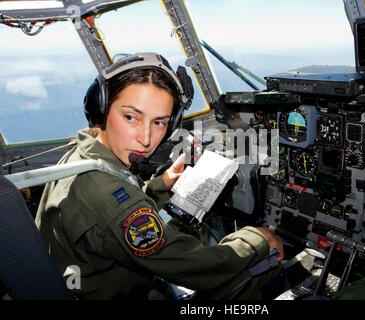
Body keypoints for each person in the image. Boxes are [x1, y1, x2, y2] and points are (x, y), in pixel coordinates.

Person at [35, 52, 286, 300]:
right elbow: (195, 267)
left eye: (159, 122)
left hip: (87, 281)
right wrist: (257, 238)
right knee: (263, 267)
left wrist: (162, 183)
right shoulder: (104, 191)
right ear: (101, 109)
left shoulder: (81, 156)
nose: (145, 140)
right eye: (131, 117)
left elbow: (113, 212)